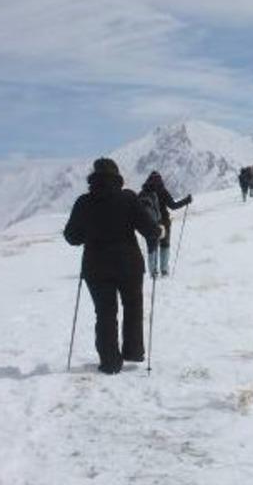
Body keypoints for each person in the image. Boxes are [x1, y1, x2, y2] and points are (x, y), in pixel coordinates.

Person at [64, 158, 159, 374]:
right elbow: (148, 228)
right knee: (133, 307)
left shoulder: (83, 202)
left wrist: (88, 232)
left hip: (96, 267)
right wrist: (158, 232)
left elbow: (72, 237)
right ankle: (133, 351)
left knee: (105, 313)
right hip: (130, 264)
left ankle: (110, 362)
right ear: (117, 176)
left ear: (94, 177)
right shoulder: (128, 198)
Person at [140, 171, 192, 278]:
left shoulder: (143, 193)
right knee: (165, 246)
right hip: (164, 222)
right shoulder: (162, 191)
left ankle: (153, 272)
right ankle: (164, 270)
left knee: (152, 248)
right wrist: (186, 201)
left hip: (149, 224)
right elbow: (173, 205)